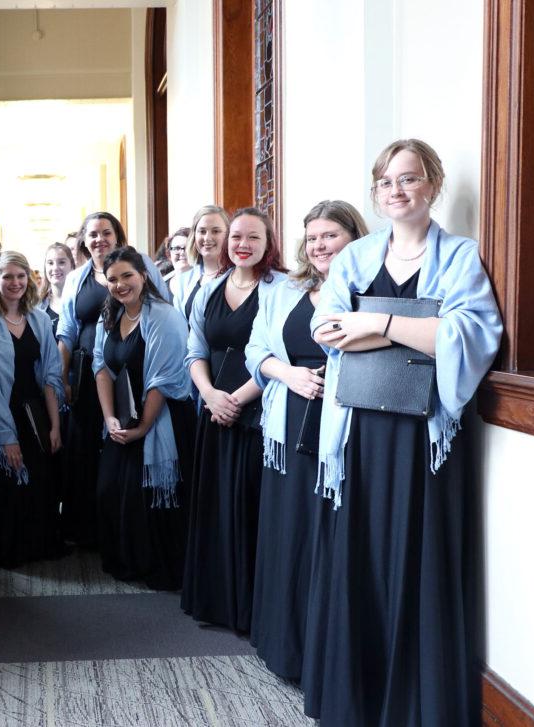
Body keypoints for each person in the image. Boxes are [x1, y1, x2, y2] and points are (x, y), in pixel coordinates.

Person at [307, 140, 501, 727]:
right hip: (361, 433)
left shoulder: (460, 256)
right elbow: (327, 328)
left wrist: (379, 320)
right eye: (387, 181)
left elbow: (471, 337)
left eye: (410, 178)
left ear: (433, 186)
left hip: (425, 439)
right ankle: (359, 698)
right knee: (362, 559)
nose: (398, 189)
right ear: (377, 191)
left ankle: (415, 703)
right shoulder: (356, 256)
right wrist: (417, 327)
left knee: (419, 558)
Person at [243, 200, 367, 684]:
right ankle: (284, 647)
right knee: (289, 533)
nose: (319, 246)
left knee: (326, 538)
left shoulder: (367, 289)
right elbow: (257, 348)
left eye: (330, 235)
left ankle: (322, 657)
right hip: (287, 419)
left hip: (340, 427)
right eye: (313, 237)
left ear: (355, 237)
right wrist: (288, 374)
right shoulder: (285, 289)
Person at [181, 207, 287, 633]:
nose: (242, 245)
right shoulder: (212, 287)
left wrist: (237, 400)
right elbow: (195, 351)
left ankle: (248, 610)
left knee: (249, 509)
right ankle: (217, 604)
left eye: (253, 238)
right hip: (214, 410)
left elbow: (280, 355)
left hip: (255, 413)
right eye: (236, 237)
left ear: (268, 244)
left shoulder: (281, 288)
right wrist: (209, 395)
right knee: (215, 508)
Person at [56, 212, 169, 547]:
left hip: (134, 371)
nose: (99, 240)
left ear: (118, 236)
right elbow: (66, 332)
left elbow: (163, 308)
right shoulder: (77, 278)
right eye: (92, 234)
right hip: (90, 372)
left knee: (125, 446)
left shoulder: (140, 265)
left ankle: (125, 531)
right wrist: (62, 377)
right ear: (83, 240)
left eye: (106, 233)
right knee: (84, 450)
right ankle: (86, 531)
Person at [93, 248, 194, 590]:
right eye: (112, 279)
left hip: (159, 416)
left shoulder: (164, 318)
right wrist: (109, 419)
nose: (120, 285)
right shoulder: (108, 316)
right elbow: (101, 368)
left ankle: (155, 567)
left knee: (146, 495)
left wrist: (143, 428)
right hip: (121, 416)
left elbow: (163, 381)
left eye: (127, 276)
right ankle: (124, 560)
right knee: (110, 490)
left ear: (144, 276)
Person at [0, 250, 65, 566]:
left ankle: (36, 545)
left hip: (33, 411)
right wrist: (5, 436)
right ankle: (7, 550)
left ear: (29, 279)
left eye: (20, 276)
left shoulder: (39, 318)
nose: (15, 282)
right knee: (5, 483)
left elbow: (49, 373)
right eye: (7, 276)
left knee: (37, 482)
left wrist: (55, 424)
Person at [173, 206, 229, 322]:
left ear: (228, 235)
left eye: (216, 231)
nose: (207, 238)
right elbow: (180, 326)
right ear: (194, 236)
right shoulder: (184, 281)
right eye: (202, 231)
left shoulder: (237, 277)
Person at [37, 241, 75, 328]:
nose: (55, 268)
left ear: (72, 265)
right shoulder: (37, 305)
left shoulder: (82, 301)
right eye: (50, 263)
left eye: (61, 262)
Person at [163, 226, 193, 302]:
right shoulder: (161, 287)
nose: (182, 253)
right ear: (169, 254)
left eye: (187, 248)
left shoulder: (203, 284)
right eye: (177, 248)